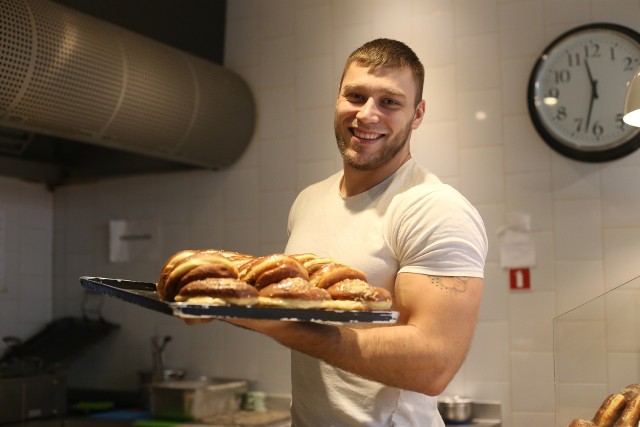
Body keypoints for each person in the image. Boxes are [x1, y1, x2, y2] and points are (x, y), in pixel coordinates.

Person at [226, 38, 487, 426]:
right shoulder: (308, 201)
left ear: (417, 115)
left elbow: (434, 364)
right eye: (356, 96)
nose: (367, 115)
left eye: (389, 102)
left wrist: (285, 327)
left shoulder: (434, 208)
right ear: (337, 99)